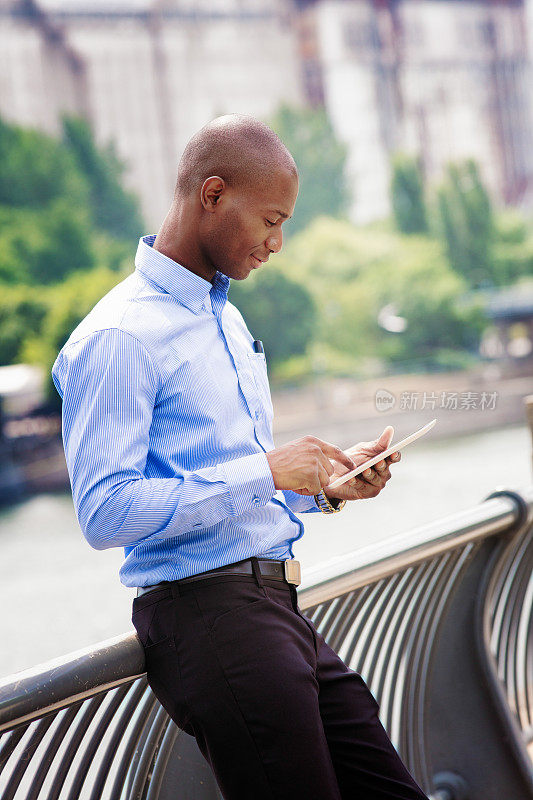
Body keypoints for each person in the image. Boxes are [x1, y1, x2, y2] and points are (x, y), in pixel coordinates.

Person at [52, 114, 429, 800]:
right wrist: (266, 469)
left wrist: (328, 485)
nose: (276, 243)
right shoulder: (119, 337)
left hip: (275, 607)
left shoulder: (223, 316)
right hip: (208, 619)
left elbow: (234, 484)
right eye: (270, 220)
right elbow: (104, 512)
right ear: (212, 194)